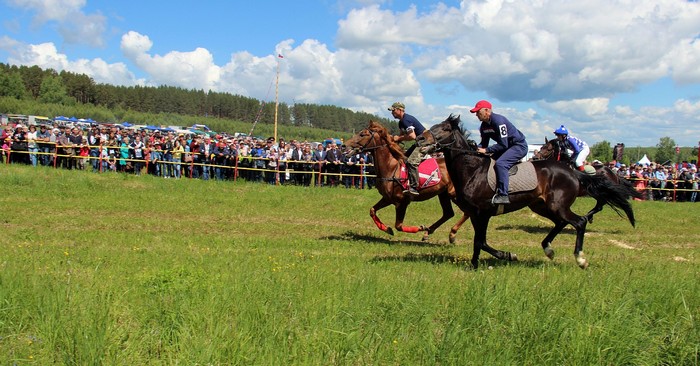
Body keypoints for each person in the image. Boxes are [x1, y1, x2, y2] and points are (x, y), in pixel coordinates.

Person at [471, 100, 528, 205]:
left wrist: (487, 150)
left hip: (518, 146)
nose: (476, 115)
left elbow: (503, 145)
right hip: (506, 148)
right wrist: (473, 148)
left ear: (487, 111)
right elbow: (483, 144)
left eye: (478, 112)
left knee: (501, 164)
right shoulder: (483, 126)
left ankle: (503, 195)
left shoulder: (499, 121)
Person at [388, 102, 426, 197]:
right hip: (419, 142)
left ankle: (414, 187)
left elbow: (412, 136)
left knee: (411, 162)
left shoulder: (406, 120)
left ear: (400, 110)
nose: (392, 113)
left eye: (393, 110)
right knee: (403, 158)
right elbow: (401, 135)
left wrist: (399, 138)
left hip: (425, 142)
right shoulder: (401, 122)